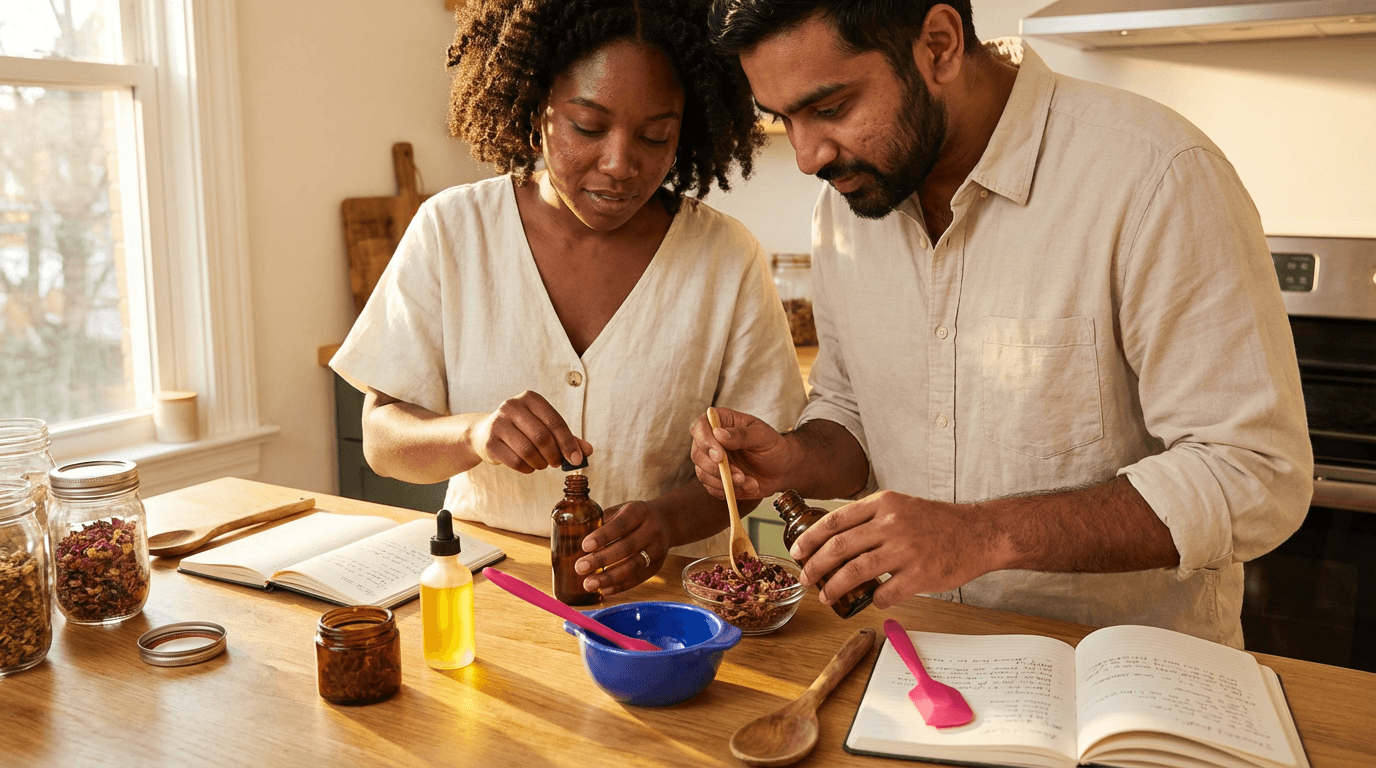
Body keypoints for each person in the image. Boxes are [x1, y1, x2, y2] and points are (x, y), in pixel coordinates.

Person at [690, 0, 1311, 646]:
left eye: (831, 108)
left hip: (1125, 692)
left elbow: (1256, 473)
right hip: (924, 662)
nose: (806, 155)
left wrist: (981, 534)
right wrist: (792, 457)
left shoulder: (1155, 176)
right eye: (782, 118)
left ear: (939, 45)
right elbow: (855, 413)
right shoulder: (844, 215)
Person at [331, 0, 805, 597]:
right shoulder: (453, 231)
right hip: (488, 598)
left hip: (665, 610)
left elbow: (757, 470)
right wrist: (474, 435)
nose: (620, 164)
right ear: (536, 104)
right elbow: (382, 440)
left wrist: (668, 522)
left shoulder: (725, 258)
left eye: (656, 136)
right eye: (587, 127)